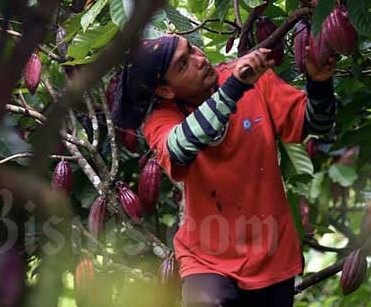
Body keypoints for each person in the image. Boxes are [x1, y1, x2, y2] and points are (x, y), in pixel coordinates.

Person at [111, 34, 336, 307]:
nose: (200, 60)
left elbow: (315, 124)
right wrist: (235, 88)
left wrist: (320, 83)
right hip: (207, 260)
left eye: (192, 49)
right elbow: (180, 147)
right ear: (165, 91)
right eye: (183, 65)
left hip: (273, 255)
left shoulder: (253, 81)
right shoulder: (161, 119)